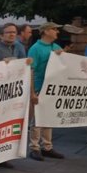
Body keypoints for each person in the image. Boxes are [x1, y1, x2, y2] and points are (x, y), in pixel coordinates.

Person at [27, 22, 65, 161]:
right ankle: (34, 148)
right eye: (54, 29)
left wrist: (63, 56)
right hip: (39, 87)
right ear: (45, 31)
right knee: (37, 120)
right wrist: (32, 93)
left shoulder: (56, 47)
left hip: (52, 89)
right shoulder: (35, 48)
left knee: (49, 118)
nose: (57, 32)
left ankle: (47, 147)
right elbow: (30, 71)